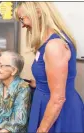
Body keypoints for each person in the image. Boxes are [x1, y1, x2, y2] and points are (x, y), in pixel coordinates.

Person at [15, 2, 84, 132]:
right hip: (45, 104)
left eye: (22, 19)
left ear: (38, 12)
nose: (22, 25)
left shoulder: (54, 46)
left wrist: (42, 129)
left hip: (57, 111)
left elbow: (58, 99)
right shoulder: (46, 43)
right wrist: (39, 84)